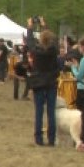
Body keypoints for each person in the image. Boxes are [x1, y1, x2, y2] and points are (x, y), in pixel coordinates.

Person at [26, 17, 60, 146]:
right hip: (51, 81)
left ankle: (39, 138)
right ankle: (51, 138)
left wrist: (30, 27)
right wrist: (44, 25)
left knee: (39, 111)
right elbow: (54, 41)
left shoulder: (36, 51)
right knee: (51, 112)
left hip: (38, 81)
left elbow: (29, 41)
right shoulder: (54, 50)